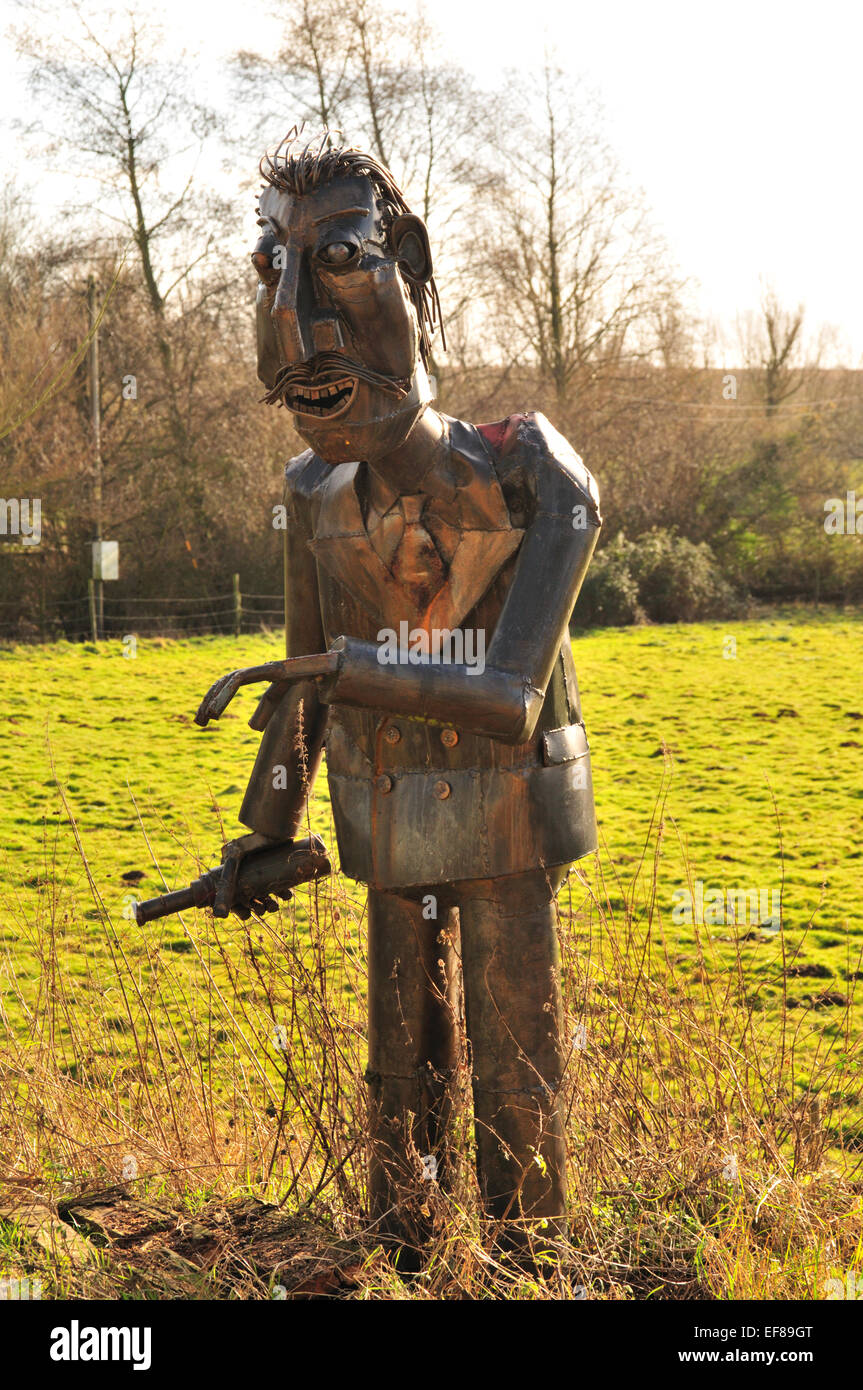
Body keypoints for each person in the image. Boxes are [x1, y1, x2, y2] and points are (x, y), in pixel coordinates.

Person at [203, 129, 602, 1264]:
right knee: (399, 1067)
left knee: (515, 1064)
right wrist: (261, 828)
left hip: (507, 820)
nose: (293, 316)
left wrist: (346, 673)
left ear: (409, 267)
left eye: (336, 257)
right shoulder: (310, 491)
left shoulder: (532, 470)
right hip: (384, 821)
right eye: (269, 270)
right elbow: (296, 685)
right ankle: (404, 1259)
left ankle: (526, 1266)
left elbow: (512, 693)